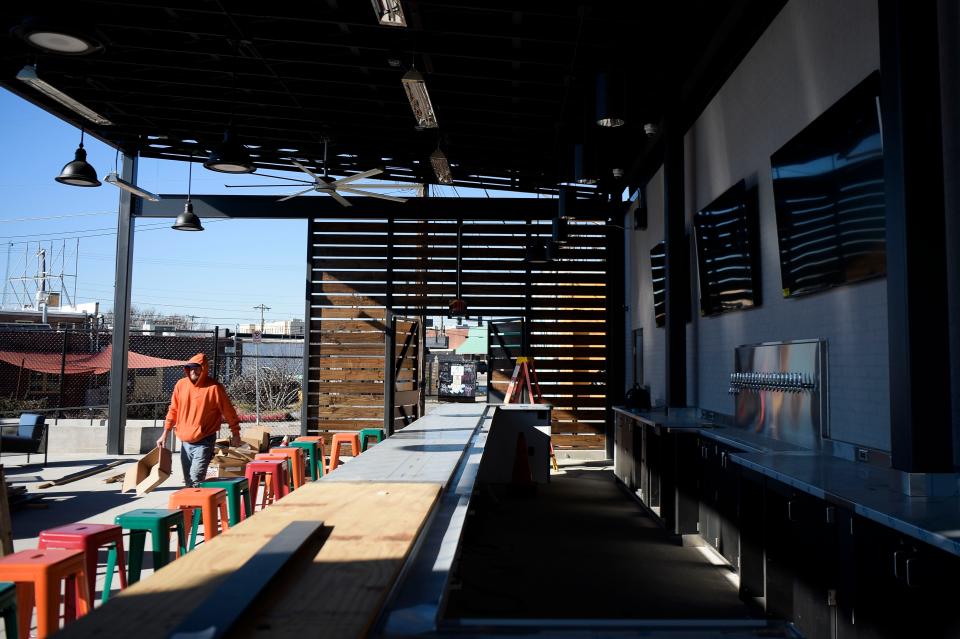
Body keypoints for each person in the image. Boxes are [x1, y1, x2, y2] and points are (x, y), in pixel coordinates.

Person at [157, 353, 242, 487]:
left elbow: (228, 411)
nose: (193, 371)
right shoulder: (181, 385)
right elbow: (173, 410)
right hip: (185, 442)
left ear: (204, 368)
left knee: (196, 479)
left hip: (204, 441)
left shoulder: (214, 388)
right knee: (189, 481)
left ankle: (201, 506)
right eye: (190, 367)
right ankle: (193, 506)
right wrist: (164, 434)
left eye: (197, 367)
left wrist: (236, 433)